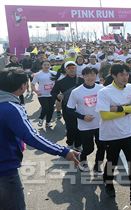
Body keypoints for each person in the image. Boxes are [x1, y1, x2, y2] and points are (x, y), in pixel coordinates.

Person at [0, 68, 80, 210]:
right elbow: (31, 136)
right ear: (23, 86)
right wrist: (63, 150)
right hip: (5, 169)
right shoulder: (11, 108)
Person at [96, 63, 131, 202]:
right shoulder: (104, 92)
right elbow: (105, 115)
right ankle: (108, 182)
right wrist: (126, 109)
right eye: (121, 75)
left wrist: (118, 109)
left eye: (127, 74)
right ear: (114, 75)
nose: (125, 77)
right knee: (111, 162)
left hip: (128, 133)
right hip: (110, 135)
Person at [66, 67, 105, 173]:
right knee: (89, 149)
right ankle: (82, 160)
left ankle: (97, 166)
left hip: (101, 124)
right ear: (83, 76)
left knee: (102, 147)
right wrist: (83, 117)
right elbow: (69, 109)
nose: (90, 77)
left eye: (92, 74)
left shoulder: (101, 88)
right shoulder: (76, 92)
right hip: (85, 126)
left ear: (96, 76)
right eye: (87, 75)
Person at [51, 61, 83, 149]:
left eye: (73, 68)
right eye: (69, 68)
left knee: (79, 127)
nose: (72, 70)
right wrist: (58, 96)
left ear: (76, 68)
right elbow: (53, 92)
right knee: (70, 127)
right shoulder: (60, 82)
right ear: (66, 70)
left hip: (81, 107)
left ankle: (78, 144)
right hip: (67, 108)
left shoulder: (81, 80)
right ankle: (69, 143)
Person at [31, 60, 57, 127]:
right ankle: (41, 119)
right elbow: (32, 84)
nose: (46, 66)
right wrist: (36, 91)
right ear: (42, 66)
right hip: (42, 94)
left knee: (51, 109)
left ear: (50, 65)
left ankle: (48, 122)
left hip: (52, 94)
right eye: (45, 65)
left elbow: (60, 80)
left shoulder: (54, 73)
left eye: (48, 65)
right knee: (45, 108)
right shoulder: (37, 74)